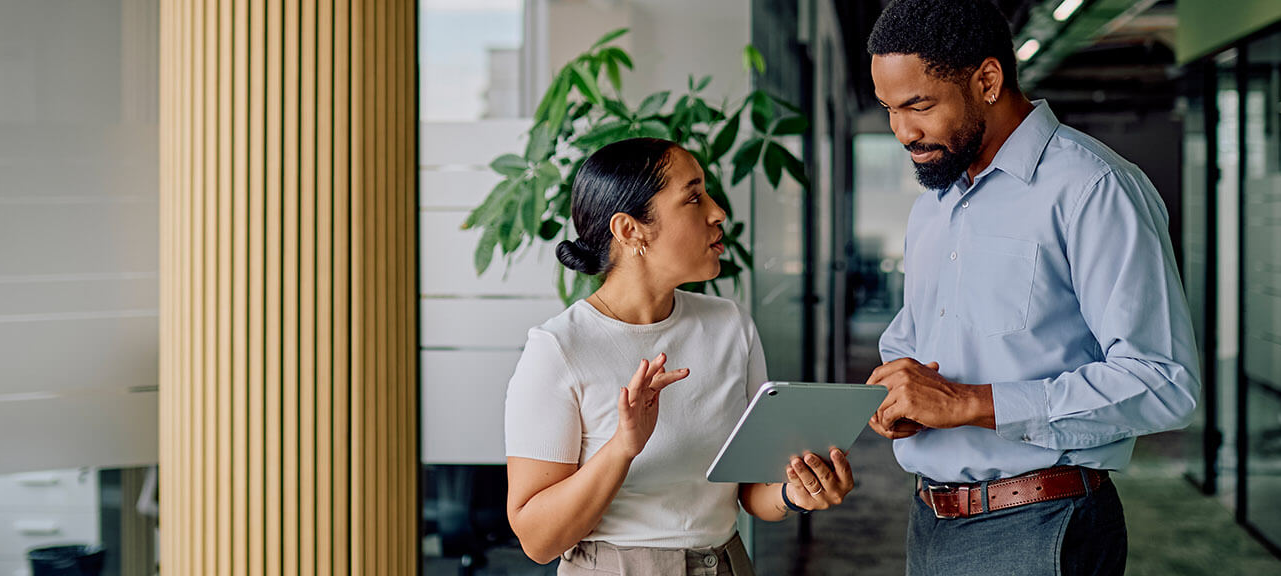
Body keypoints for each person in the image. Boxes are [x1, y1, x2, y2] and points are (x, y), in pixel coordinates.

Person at [862, 1, 1201, 574]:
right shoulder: (933, 208)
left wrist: (973, 404)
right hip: (930, 521)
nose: (902, 131)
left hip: (1044, 525)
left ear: (988, 81)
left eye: (919, 105)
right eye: (889, 109)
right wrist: (900, 390)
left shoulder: (1095, 189)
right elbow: (914, 341)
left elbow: (1164, 382)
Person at [503, 138, 856, 576]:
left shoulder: (730, 325)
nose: (717, 212)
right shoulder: (559, 349)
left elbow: (750, 491)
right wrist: (622, 448)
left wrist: (794, 493)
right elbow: (538, 540)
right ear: (630, 230)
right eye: (693, 197)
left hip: (727, 564)